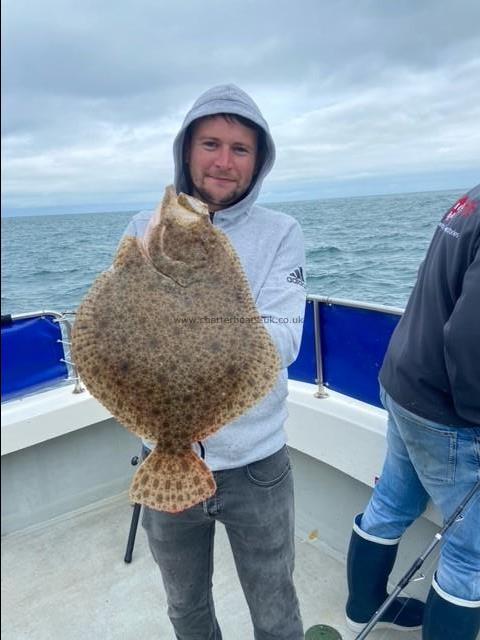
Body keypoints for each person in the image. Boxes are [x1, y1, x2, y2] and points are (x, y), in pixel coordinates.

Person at [121, 84, 306, 639]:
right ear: (186, 150)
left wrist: (197, 332)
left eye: (240, 148)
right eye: (210, 143)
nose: (224, 161)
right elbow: (119, 332)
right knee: (186, 608)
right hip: (165, 457)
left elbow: (283, 340)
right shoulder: (142, 228)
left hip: (256, 463)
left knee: (275, 609)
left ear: (258, 159)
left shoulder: (282, 234)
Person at [345, 185, 480, 639]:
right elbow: (470, 339)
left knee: (392, 502)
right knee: (471, 554)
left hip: (403, 380)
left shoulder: (472, 198)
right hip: (449, 412)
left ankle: (363, 607)